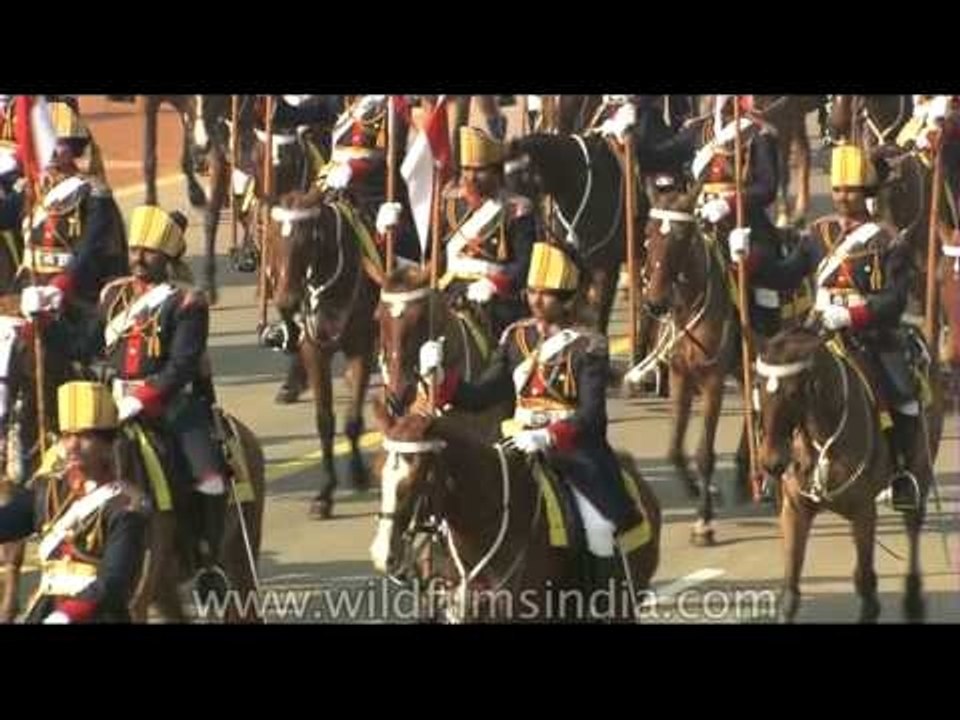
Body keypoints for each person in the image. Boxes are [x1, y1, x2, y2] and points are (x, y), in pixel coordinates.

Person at [417, 240, 650, 600]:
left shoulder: (588, 346)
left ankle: (603, 602)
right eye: (531, 291)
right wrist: (439, 378)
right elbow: (481, 394)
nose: (536, 300)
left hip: (572, 455)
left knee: (598, 528)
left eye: (547, 294)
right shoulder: (516, 336)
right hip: (515, 444)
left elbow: (591, 418)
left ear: (568, 298)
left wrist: (550, 436)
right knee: (455, 505)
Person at [0, 381, 149, 623]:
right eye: (67, 436)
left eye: (84, 436)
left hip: (96, 614)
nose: (72, 446)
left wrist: (69, 614)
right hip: (46, 608)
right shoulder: (49, 490)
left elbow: (115, 581)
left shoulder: (125, 506)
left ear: (108, 445)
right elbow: (7, 521)